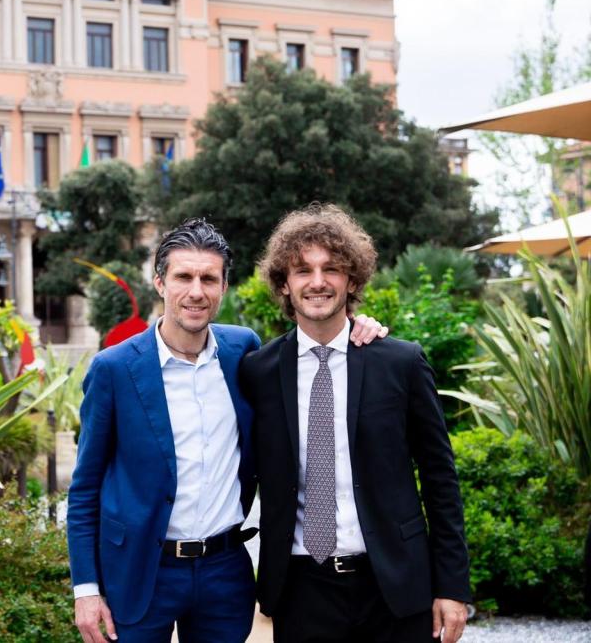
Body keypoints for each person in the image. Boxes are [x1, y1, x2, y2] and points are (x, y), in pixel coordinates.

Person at [67, 218, 385, 643]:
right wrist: (86, 590)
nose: (196, 291)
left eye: (209, 279)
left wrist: (358, 325)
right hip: (142, 570)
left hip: (224, 571)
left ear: (224, 287)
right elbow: (84, 488)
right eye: (184, 277)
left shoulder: (243, 351)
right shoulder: (114, 369)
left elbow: (311, 345)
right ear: (160, 283)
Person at [238, 204, 470, 643]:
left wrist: (452, 586)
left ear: (352, 279)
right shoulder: (258, 372)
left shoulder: (401, 363)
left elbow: (441, 480)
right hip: (302, 590)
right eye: (303, 270)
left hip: (394, 585)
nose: (318, 281)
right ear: (284, 283)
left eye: (332, 268)